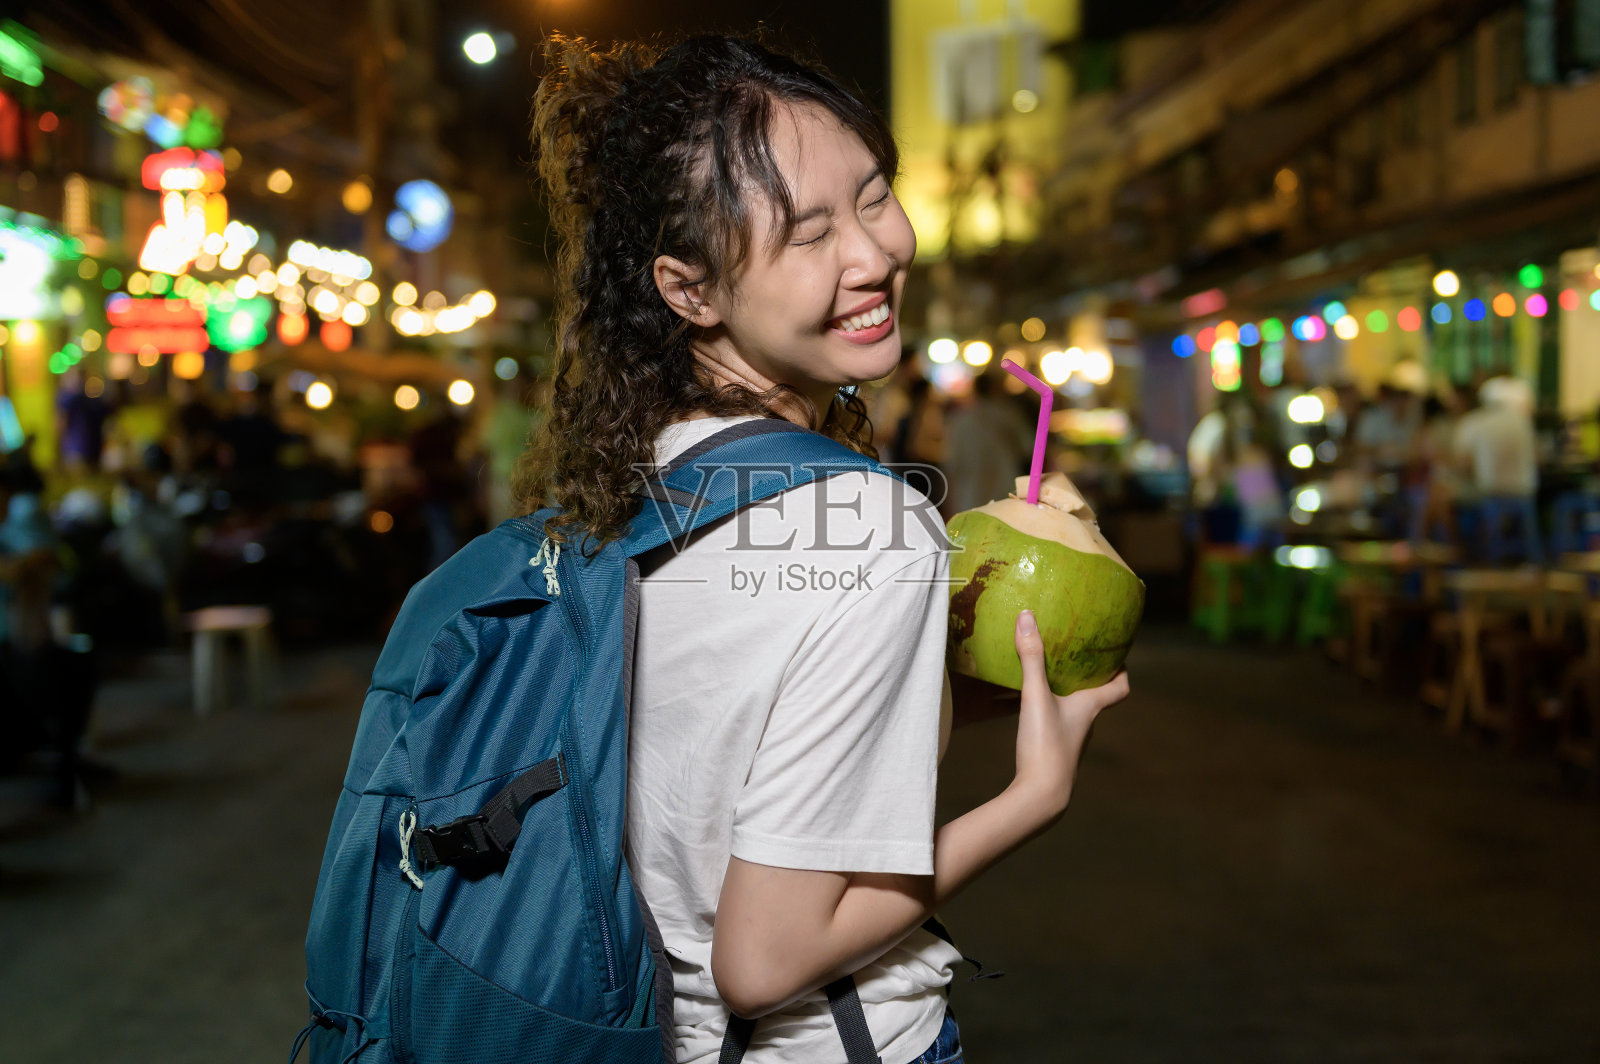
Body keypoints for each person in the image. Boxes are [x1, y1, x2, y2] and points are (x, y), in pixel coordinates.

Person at [515, 34, 1130, 1064]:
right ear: (690, 289)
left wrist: (947, 684)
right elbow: (763, 956)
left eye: (875, 194)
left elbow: (725, 747)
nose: (875, 250)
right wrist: (1033, 795)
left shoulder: (650, 477)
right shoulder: (871, 526)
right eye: (807, 234)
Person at [943, 369, 1031, 514]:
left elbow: (952, 464)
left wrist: (949, 502)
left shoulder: (960, 421)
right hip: (1005, 490)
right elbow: (1028, 448)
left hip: (970, 495)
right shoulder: (1009, 416)